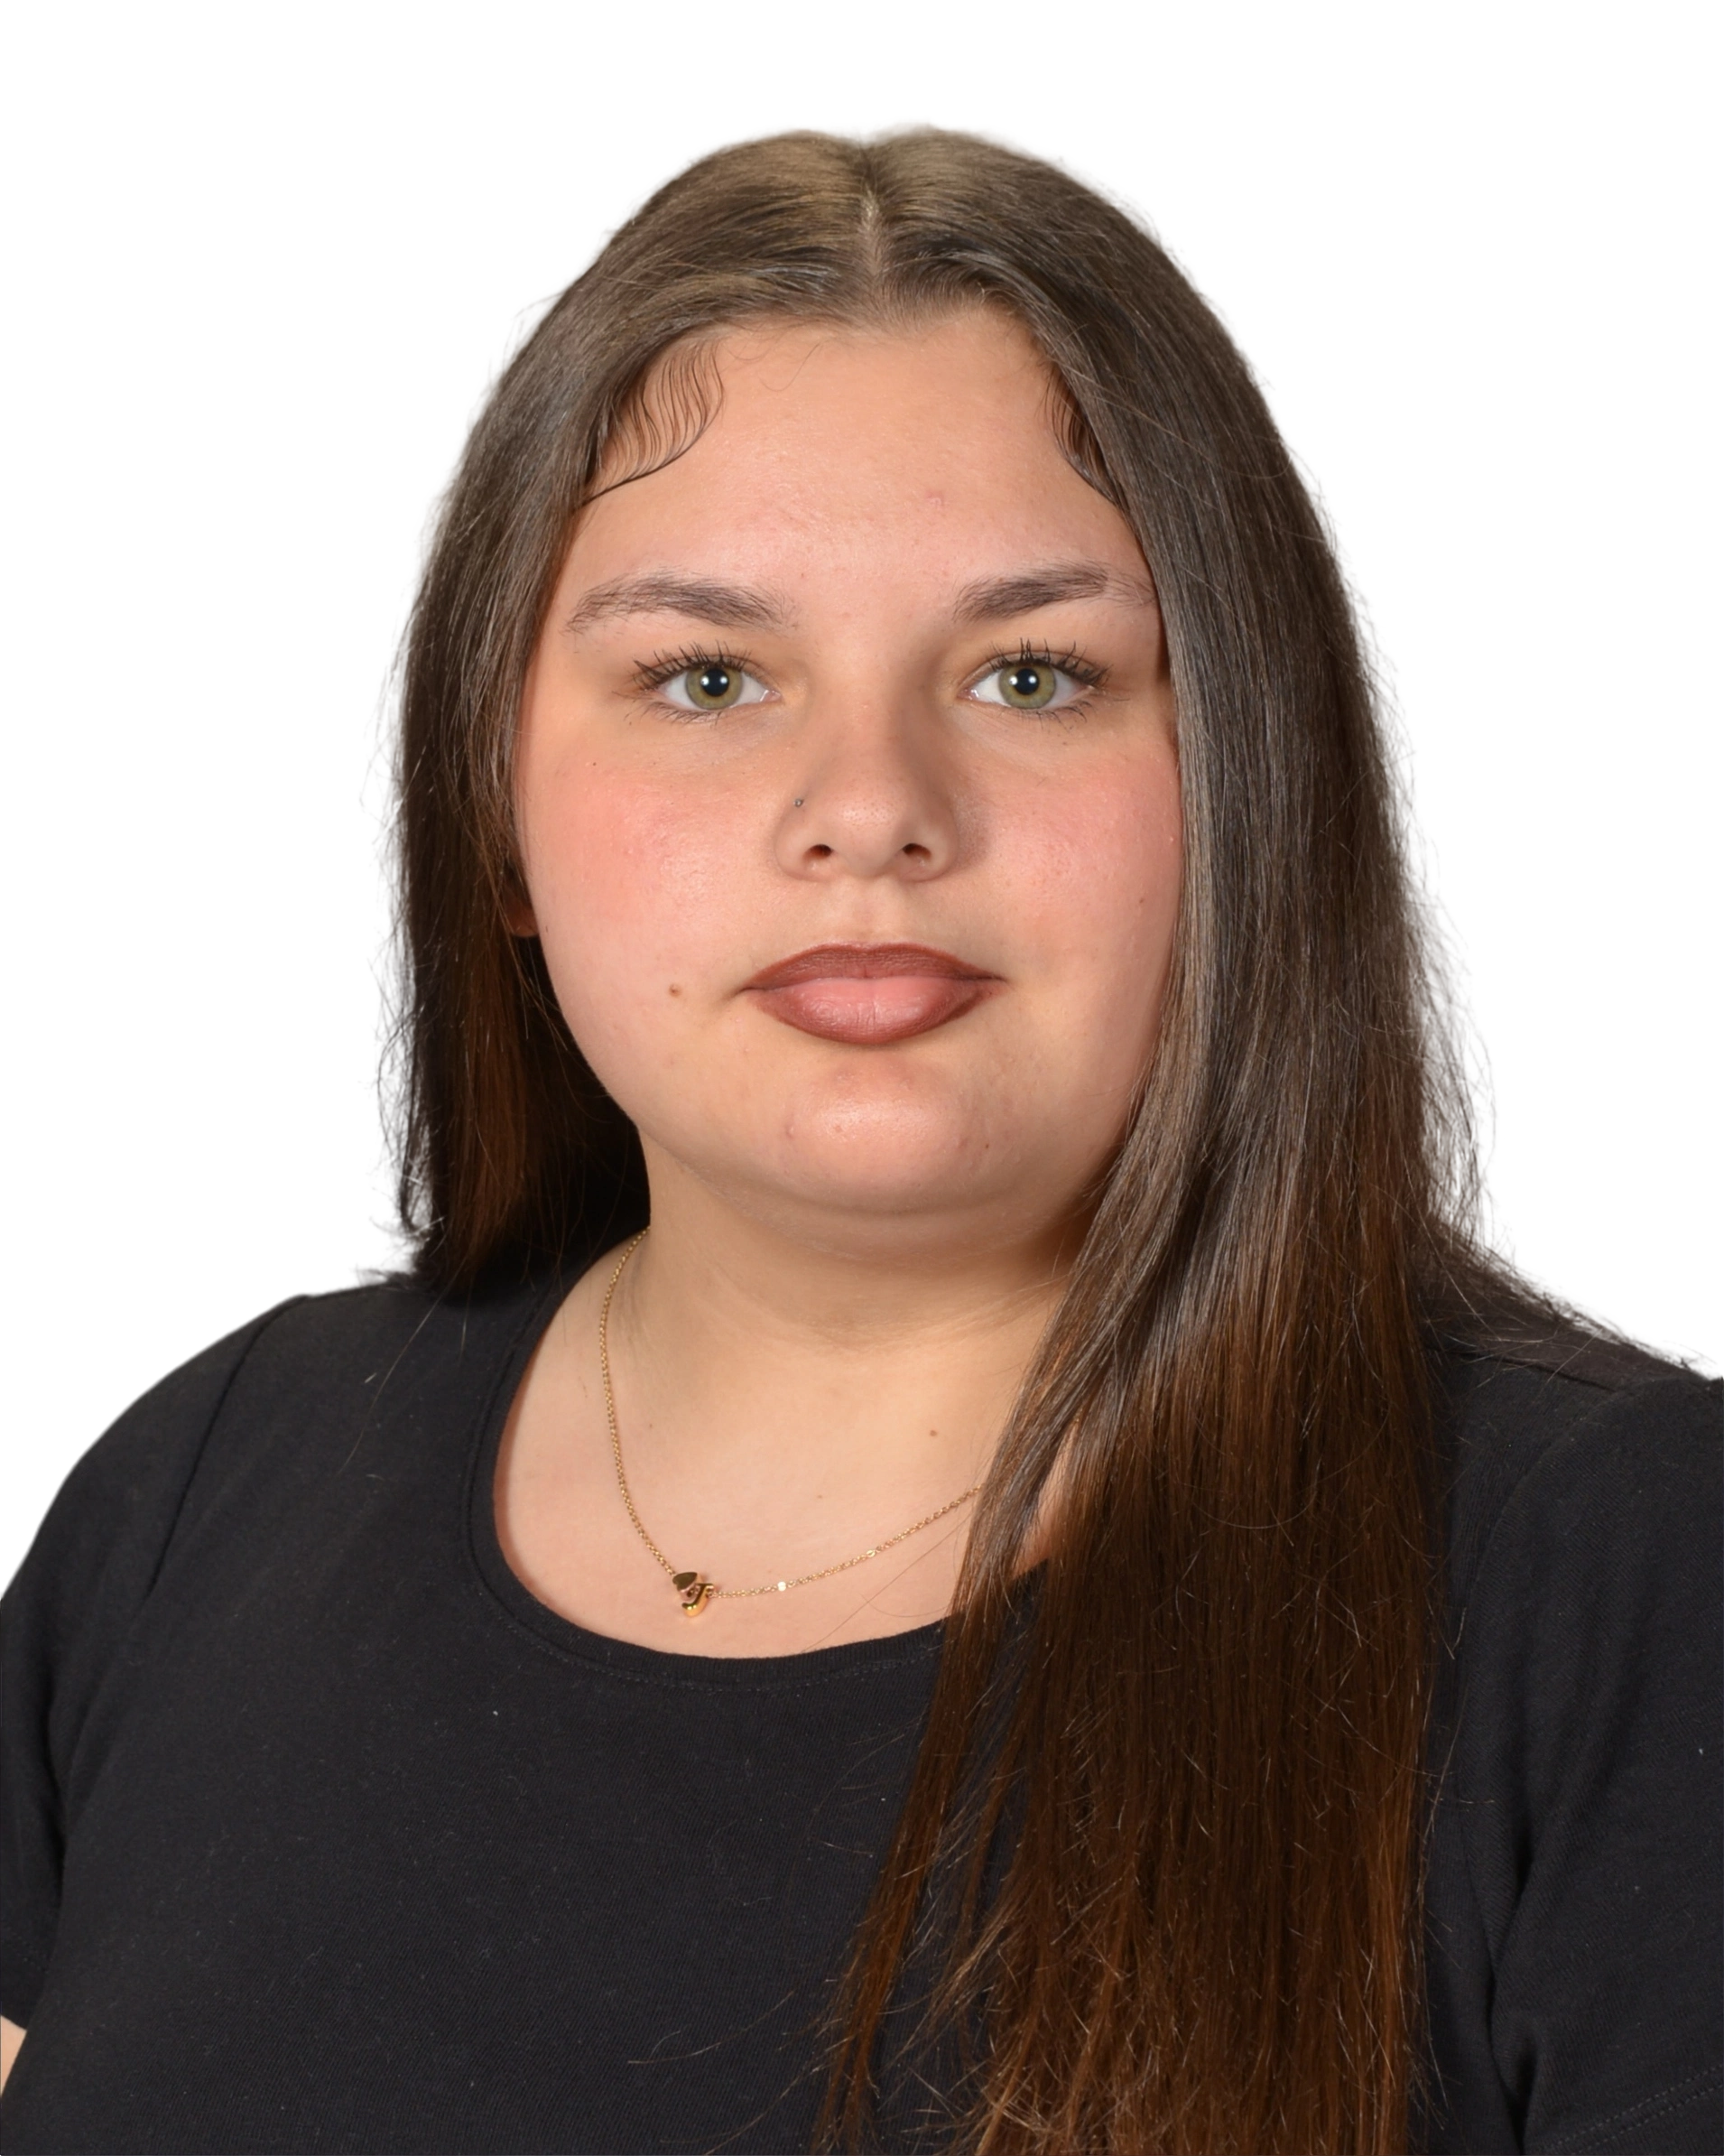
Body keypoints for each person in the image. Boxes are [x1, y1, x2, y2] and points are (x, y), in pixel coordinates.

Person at [1, 116, 1717, 2156]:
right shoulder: (199, 1488)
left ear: (1253, 778)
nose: (871, 809)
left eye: (1032, 674)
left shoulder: (1627, 1572)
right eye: (708, 676)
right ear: (493, 806)